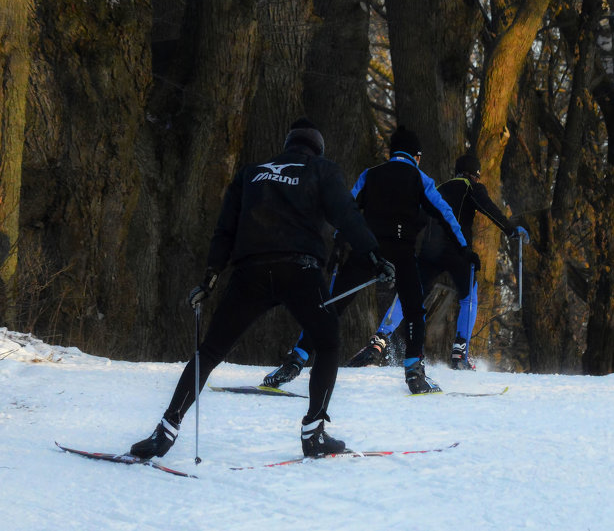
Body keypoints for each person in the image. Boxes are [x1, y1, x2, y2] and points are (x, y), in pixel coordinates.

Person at [128, 118, 394, 460]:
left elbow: (225, 227)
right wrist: (374, 255)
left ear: (288, 144)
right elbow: (346, 215)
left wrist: (210, 276)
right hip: (299, 270)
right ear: (317, 148)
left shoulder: (252, 172)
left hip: (249, 272)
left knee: (209, 352)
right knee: (327, 342)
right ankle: (314, 433)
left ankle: (164, 432)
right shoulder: (321, 169)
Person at [263, 126, 469, 394]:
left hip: (366, 250)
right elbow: (445, 213)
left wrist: (339, 242)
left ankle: (295, 361)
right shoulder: (421, 179)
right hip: (402, 252)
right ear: (415, 156)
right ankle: (414, 374)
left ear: (393, 152)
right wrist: (464, 248)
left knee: (331, 305)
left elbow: (346, 209)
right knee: (413, 309)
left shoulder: (370, 175)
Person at [348, 152, 529, 370]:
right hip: (457, 250)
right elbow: (488, 208)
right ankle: (460, 352)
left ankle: (378, 342)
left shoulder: (438, 189)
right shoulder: (471, 187)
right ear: (474, 175)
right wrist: (510, 230)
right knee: (468, 297)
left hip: (430, 252)